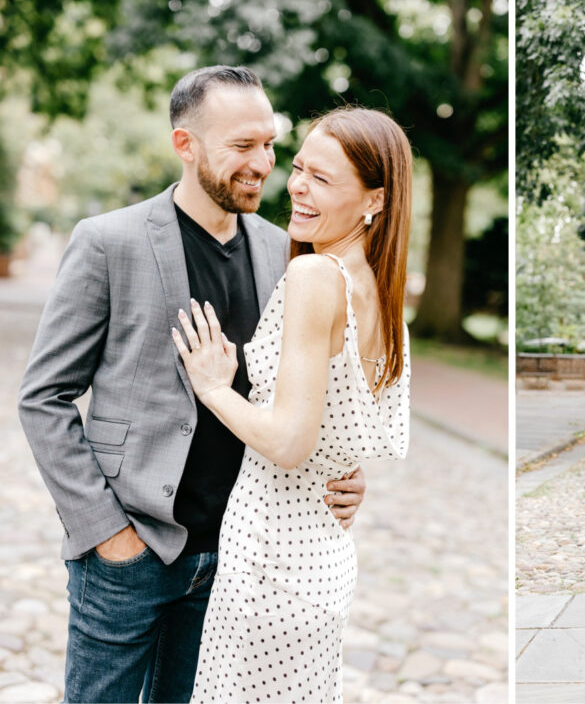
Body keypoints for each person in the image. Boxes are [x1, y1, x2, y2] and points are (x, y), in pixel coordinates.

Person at [17, 65, 366, 703]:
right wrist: (105, 533)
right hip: (130, 553)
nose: (264, 163)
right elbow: (43, 398)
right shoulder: (106, 243)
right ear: (186, 145)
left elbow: (298, 398)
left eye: (268, 143)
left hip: (239, 558)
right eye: (242, 146)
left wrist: (339, 469)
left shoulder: (287, 251)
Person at [173, 106, 412, 703]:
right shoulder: (380, 290)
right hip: (323, 556)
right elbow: (345, 425)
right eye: (300, 167)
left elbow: (288, 442)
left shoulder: (315, 276)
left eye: (323, 180)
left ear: (374, 201)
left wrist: (213, 388)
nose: (298, 187)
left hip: (271, 558)